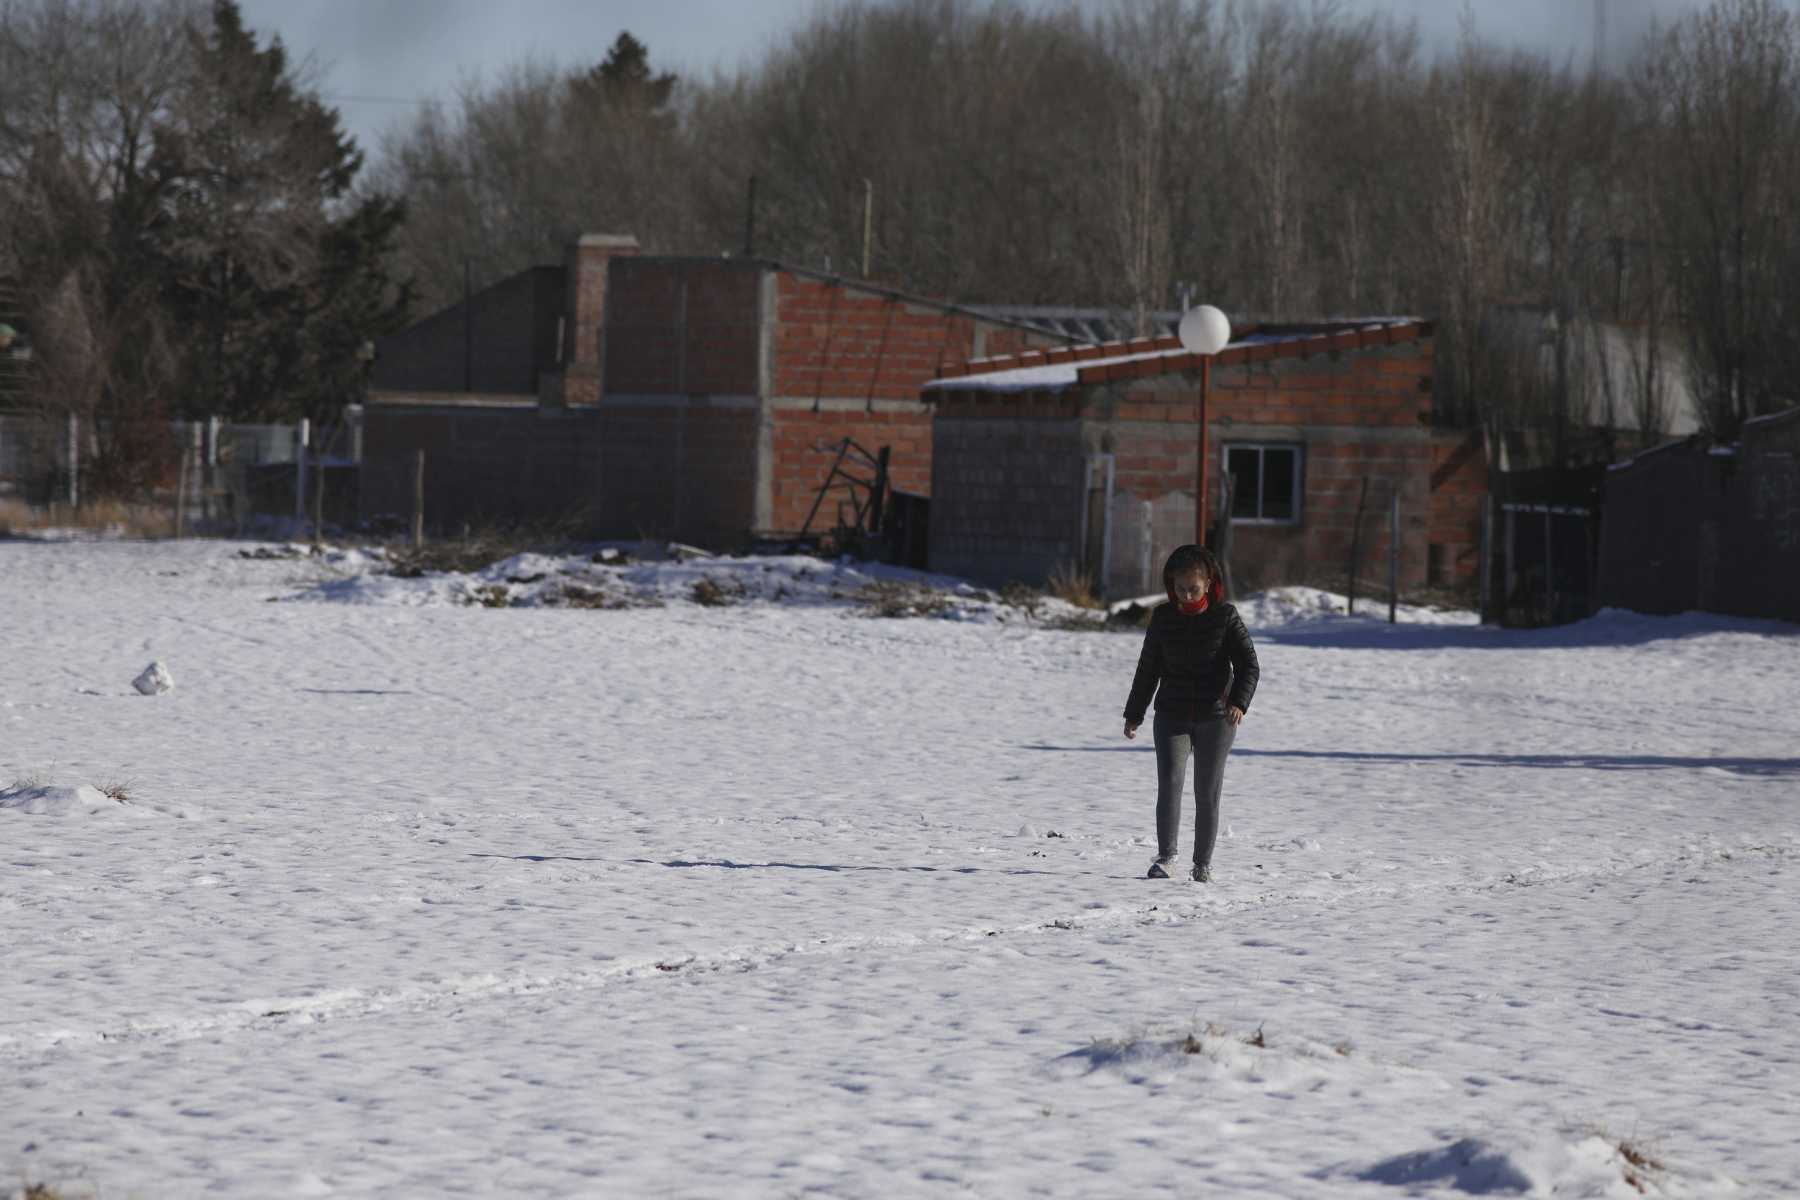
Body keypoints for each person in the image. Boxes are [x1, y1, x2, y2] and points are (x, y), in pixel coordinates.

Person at [1122, 544, 1259, 882]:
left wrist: (1238, 702)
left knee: (1206, 791)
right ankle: (1167, 857)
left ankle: (1202, 865)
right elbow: (1148, 668)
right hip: (1172, 714)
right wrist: (1134, 712)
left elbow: (1248, 665)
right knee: (1169, 783)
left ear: (1209, 583)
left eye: (1193, 589)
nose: (1185, 595)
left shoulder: (1225, 617)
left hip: (1217, 717)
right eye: (1179, 589)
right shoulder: (1164, 618)